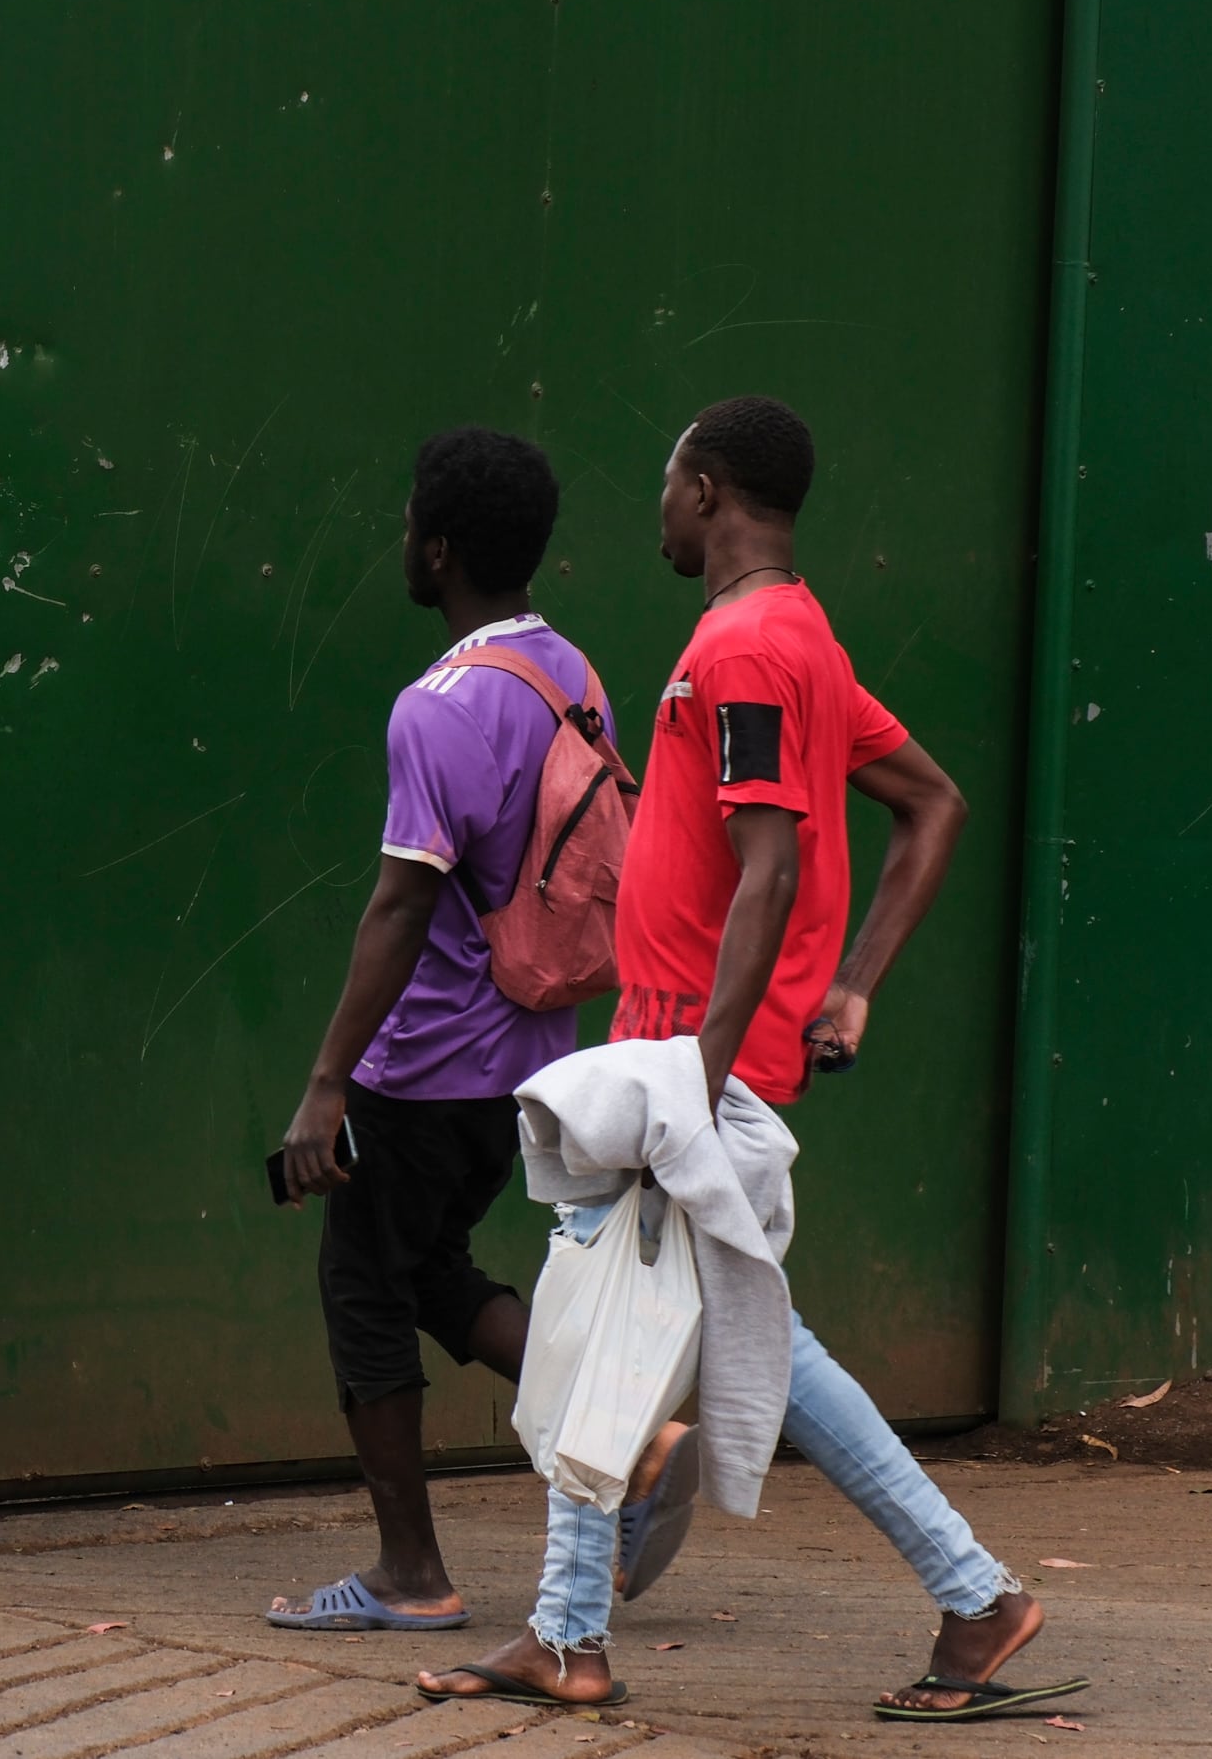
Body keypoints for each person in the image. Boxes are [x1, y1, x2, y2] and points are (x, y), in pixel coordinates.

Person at [419, 394, 1083, 1725]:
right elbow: (930, 804)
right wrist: (848, 990)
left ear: (710, 490)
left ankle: (575, 1634)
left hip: (688, 1059)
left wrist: (700, 1069)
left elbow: (772, 867)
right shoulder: (796, 645)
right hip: (694, 1054)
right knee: (720, 1339)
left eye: (669, 483)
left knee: (592, 1319)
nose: (658, 505)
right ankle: (968, 1595)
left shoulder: (751, 651)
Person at [264, 428, 606, 1635]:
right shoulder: (569, 670)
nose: (401, 534)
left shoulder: (438, 706)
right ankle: (627, 1428)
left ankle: (410, 1572)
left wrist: (325, 1084)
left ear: (440, 545)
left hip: (422, 1063)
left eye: (410, 517)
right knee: (431, 1271)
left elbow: (401, 901)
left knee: (362, 1286)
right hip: (530, 1053)